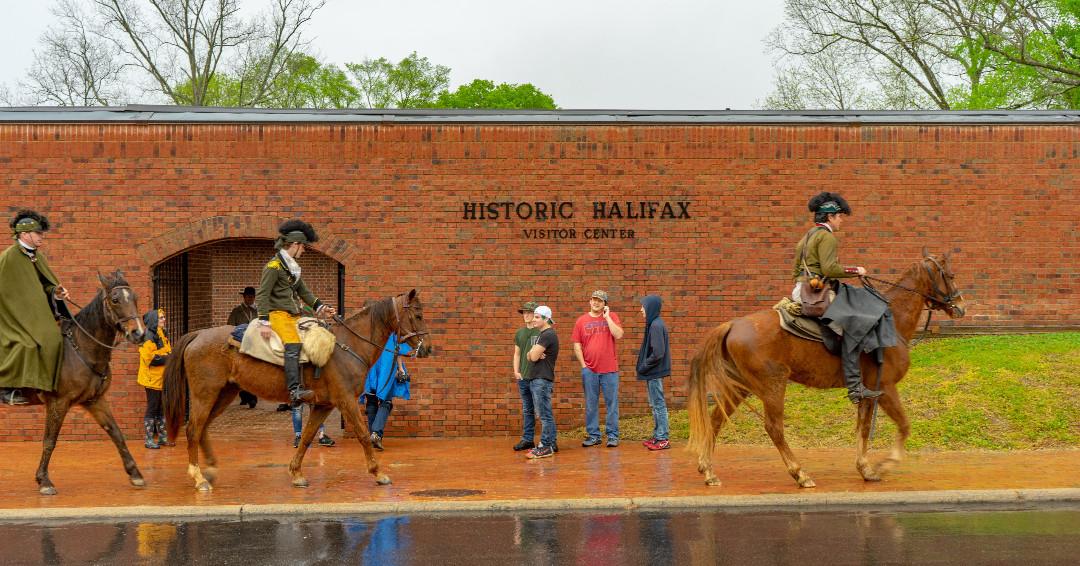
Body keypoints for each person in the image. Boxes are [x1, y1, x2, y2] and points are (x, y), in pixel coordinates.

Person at [791, 191, 881, 403]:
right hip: (818, 293)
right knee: (853, 328)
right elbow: (830, 268)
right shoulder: (827, 237)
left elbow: (796, 270)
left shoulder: (806, 237)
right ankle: (855, 388)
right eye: (840, 216)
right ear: (830, 217)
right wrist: (855, 270)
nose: (841, 220)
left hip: (801, 289)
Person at [256, 219, 335, 405]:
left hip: (294, 316)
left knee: (320, 333)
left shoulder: (291, 267)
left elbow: (304, 292)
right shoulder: (273, 267)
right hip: (278, 315)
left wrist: (322, 308)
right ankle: (294, 390)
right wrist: (264, 322)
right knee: (293, 344)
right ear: (295, 245)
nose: (304, 250)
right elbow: (262, 295)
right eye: (303, 247)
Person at [0, 209, 69, 406]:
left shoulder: (37, 256)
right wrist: (19, 308)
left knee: (53, 339)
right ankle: (7, 389)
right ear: (24, 234)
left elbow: (45, 284)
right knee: (26, 344)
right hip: (11, 316)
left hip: (35, 313)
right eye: (38, 233)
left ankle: (44, 385)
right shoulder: (9, 257)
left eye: (42, 233)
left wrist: (55, 292)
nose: (42, 237)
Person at [572, 290, 624, 448]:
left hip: (610, 369)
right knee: (591, 404)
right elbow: (576, 344)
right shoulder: (581, 321)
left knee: (612, 404)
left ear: (605, 304)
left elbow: (619, 334)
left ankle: (612, 436)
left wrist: (607, 317)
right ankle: (594, 435)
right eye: (594, 300)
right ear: (590, 301)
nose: (596, 303)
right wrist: (583, 365)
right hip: (590, 370)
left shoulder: (612, 317)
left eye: (600, 301)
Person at [363, 333, 412, 451]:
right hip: (386, 370)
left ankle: (373, 436)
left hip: (371, 370)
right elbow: (398, 351)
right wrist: (400, 369)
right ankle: (376, 433)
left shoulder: (370, 330)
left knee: (371, 402)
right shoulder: (393, 333)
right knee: (386, 402)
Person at [636, 295, 672, 451]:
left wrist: (644, 366)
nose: (641, 309)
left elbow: (658, 353)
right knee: (655, 405)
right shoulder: (654, 324)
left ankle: (663, 438)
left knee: (658, 405)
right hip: (653, 373)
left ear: (650, 307)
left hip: (654, 372)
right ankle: (658, 435)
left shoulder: (656, 326)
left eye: (643, 306)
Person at [525, 305, 559, 459]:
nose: (533, 319)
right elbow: (530, 356)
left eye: (537, 317)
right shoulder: (542, 335)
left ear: (546, 319)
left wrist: (533, 353)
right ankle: (551, 443)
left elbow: (531, 357)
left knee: (544, 415)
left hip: (541, 379)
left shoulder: (547, 335)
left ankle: (545, 446)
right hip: (538, 379)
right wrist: (533, 351)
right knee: (545, 414)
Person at [137, 308, 172, 448]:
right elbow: (150, 359)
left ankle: (162, 438)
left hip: (161, 378)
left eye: (164, 317)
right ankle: (149, 440)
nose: (164, 319)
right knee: (152, 408)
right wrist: (169, 358)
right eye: (161, 318)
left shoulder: (161, 333)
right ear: (154, 321)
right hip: (151, 379)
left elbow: (167, 350)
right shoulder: (148, 337)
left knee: (161, 408)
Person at [512, 301, 540, 452]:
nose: (526, 315)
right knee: (527, 410)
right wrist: (516, 371)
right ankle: (528, 439)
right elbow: (517, 354)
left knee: (542, 410)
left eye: (529, 312)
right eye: (524, 312)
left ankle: (547, 440)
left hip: (538, 377)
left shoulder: (540, 331)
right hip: (523, 377)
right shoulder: (520, 333)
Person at [227, 286, 260, 409]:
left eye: (252, 297)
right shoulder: (237, 311)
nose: (250, 299)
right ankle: (244, 396)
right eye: (248, 297)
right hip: (240, 342)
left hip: (255, 343)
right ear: (244, 297)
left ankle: (252, 397)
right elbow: (230, 326)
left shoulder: (258, 311)